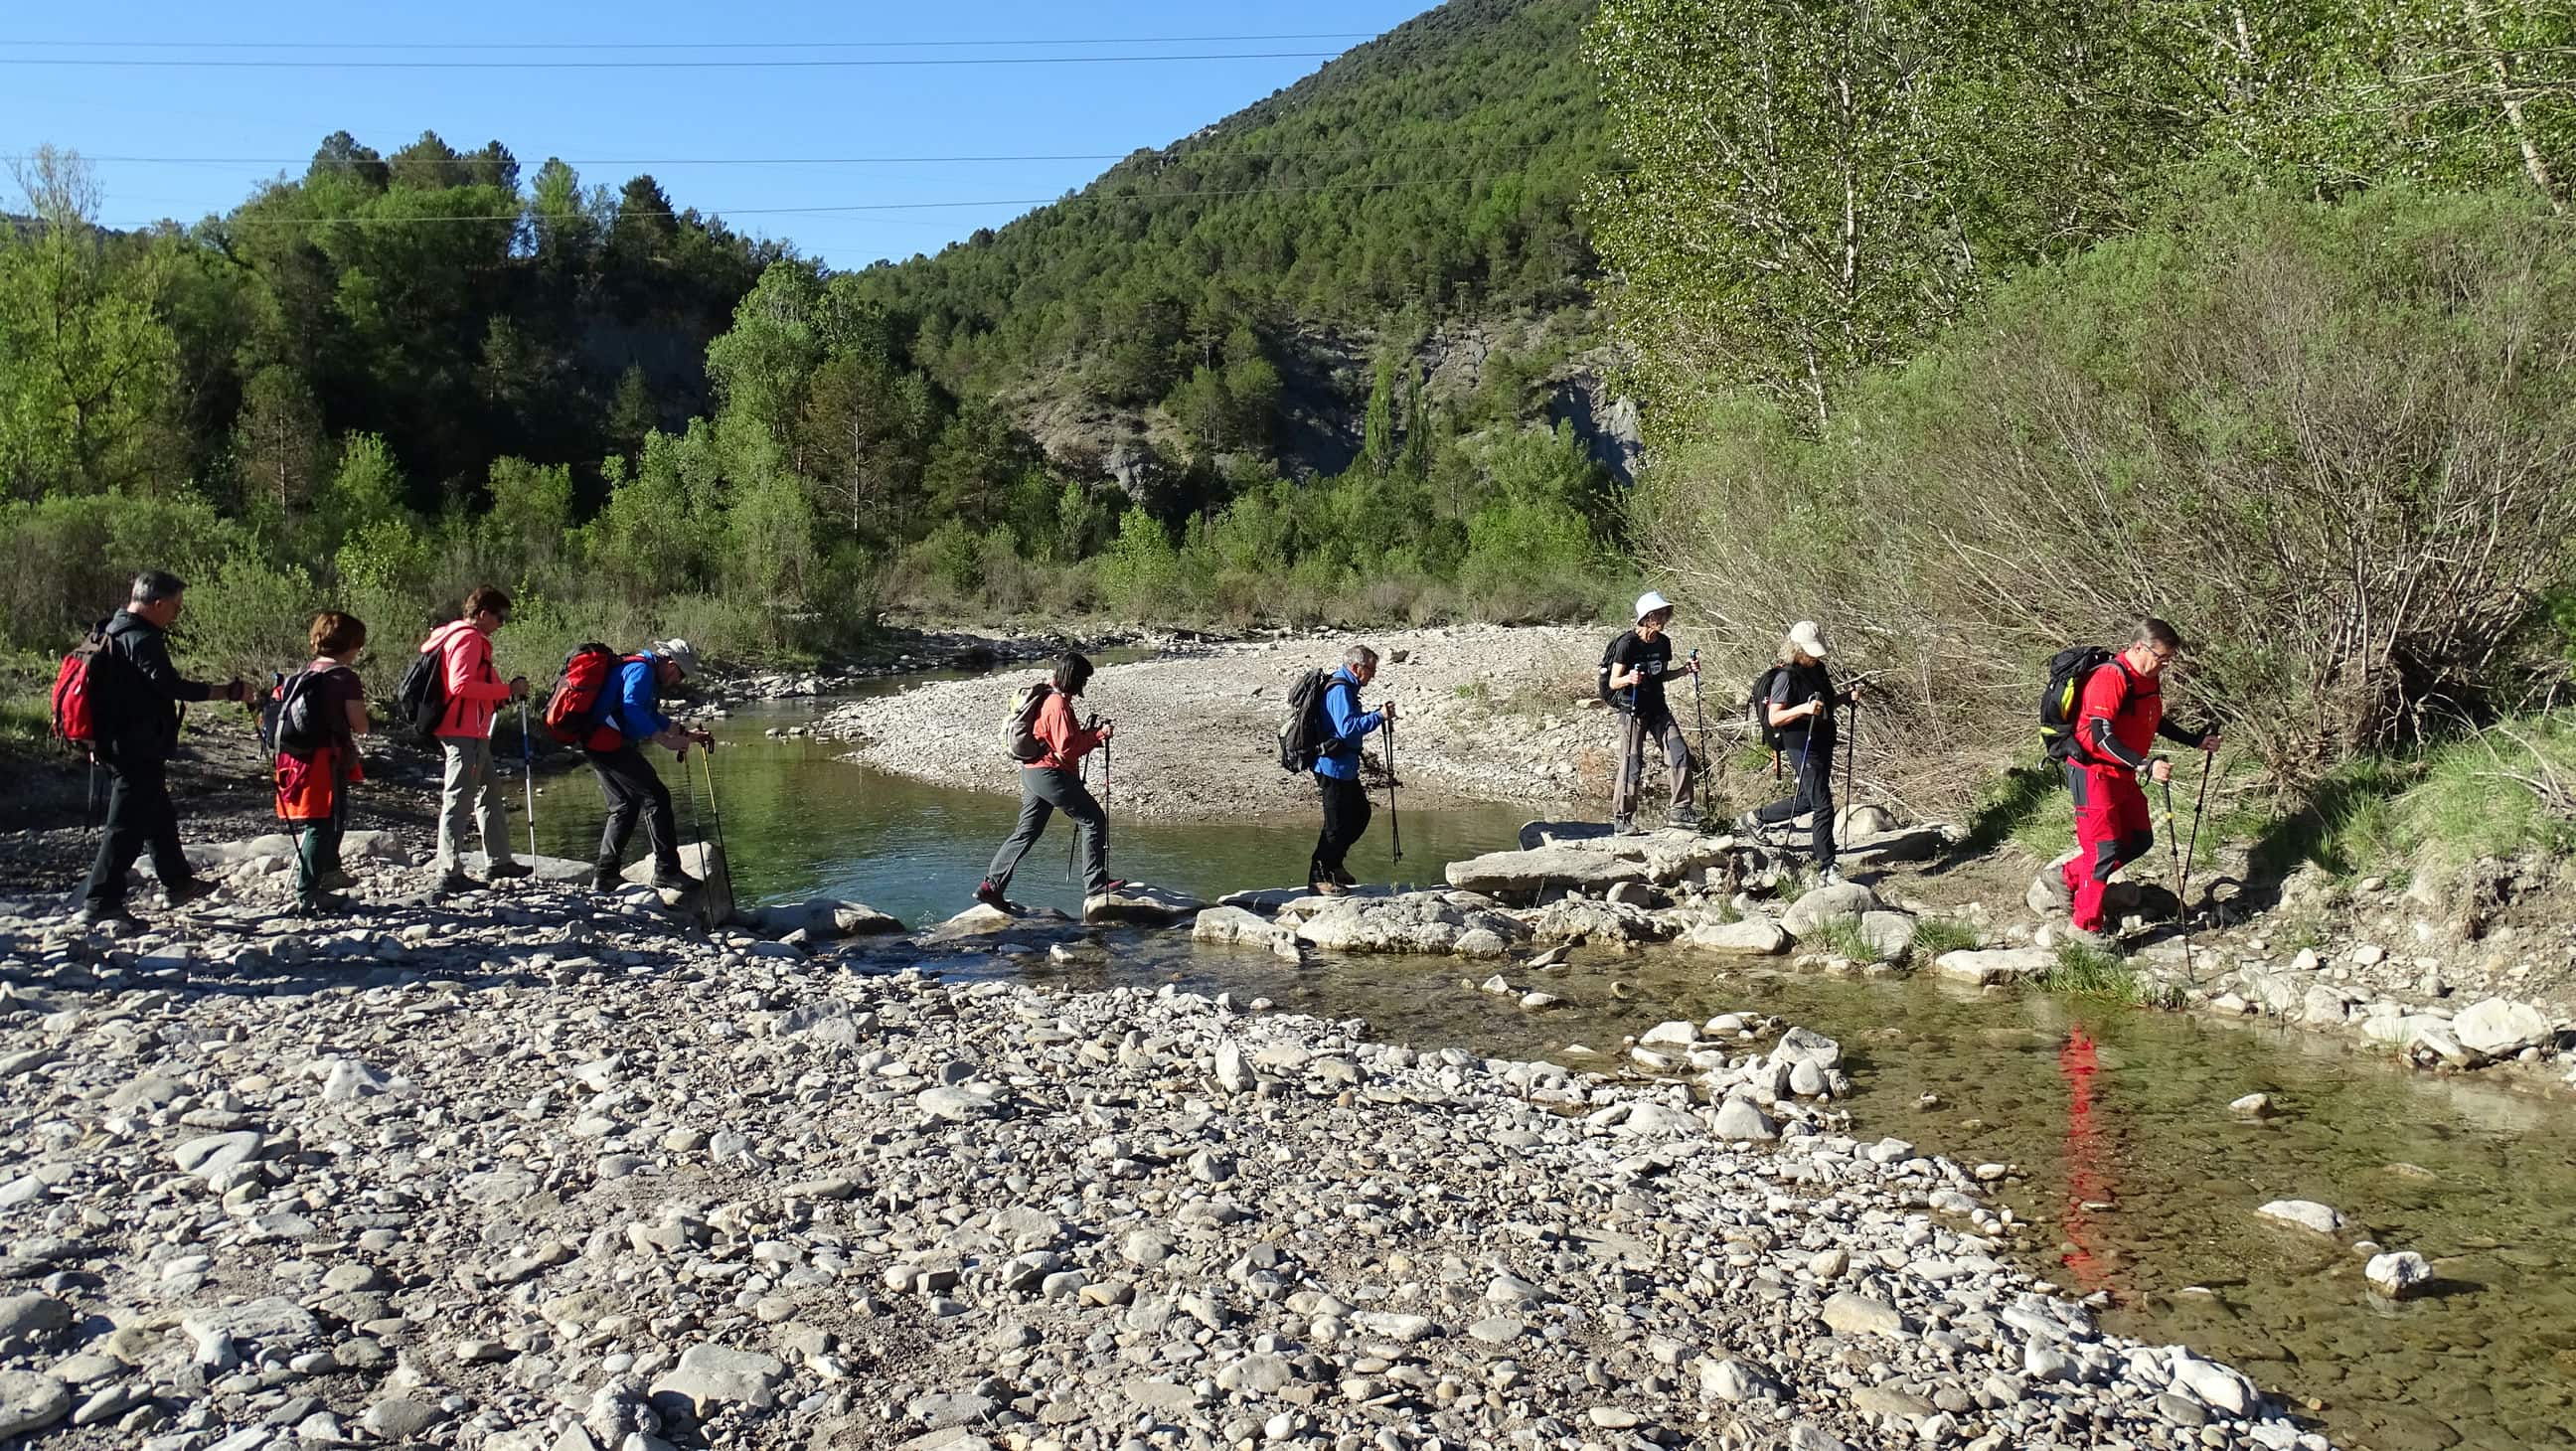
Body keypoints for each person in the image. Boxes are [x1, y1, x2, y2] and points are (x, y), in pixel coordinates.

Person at [71, 570, 250, 929]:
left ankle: (178, 883)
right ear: (157, 604)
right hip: (134, 747)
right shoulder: (141, 638)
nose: (176, 615)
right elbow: (170, 685)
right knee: (124, 827)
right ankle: (100, 901)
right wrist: (226, 692)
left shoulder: (109, 629)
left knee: (157, 814)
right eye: (175, 607)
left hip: (116, 743)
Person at [2060, 618, 2220, 943]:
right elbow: (2101, 736)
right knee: (2102, 849)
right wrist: (2146, 765)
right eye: (2161, 657)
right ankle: (2084, 928)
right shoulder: (2110, 677)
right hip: (2093, 772)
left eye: (2169, 659)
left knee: (2138, 839)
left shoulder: (2147, 678)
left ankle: (2066, 878)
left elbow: (2153, 718)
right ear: (2138, 647)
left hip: (2122, 771)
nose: (2165, 664)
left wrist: (2195, 740)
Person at [976, 652, 1124, 907]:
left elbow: (1060, 741)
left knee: (1026, 832)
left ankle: (991, 886)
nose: (1084, 684)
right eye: (1084, 679)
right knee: (1093, 820)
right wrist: (1098, 735)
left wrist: (1088, 736)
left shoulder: (1046, 696)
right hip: (1051, 774)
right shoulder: (1058, 704)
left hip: (1032, 772)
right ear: (1074, 678)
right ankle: (1095, 883)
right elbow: (1067, 748)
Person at [419, 586, 532, 894]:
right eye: (499, 617)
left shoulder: (456, 636)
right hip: (462, 731)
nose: (501, 624)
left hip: (471, 730)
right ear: (482, 614)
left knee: (489, 791)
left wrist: (500, 694)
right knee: (458, 798)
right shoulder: (468, 639)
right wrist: (507, 690)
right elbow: (461, 685)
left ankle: (499, 860)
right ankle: (449, 870)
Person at [588, 640, 714, 893]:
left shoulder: (645, 670)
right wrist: (664, 741)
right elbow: (631, 707)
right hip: (609, 743)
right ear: (672, 664)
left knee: (624, 806)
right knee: (657, 797)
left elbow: (650, 714)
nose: (678, 680)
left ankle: (605, 876)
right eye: (680, 674)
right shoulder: (642, 670)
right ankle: (667, 871)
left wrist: (685, 734)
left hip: (596, 740)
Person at [1737, 620, 1856, 883]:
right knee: (1823, 804)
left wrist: (1846, 698)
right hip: (1800, 743)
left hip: (1822, 739)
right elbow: (1774, 717)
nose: (1815, 657)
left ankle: (1754, 818)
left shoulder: (1818, 670)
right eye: (1810, 652)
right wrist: (1803, 709)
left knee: (1807, 800)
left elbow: (1825, 704)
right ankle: (1827, 866)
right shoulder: (1785, 677)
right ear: (1797, 649)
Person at [273, 612, 371, 914]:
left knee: (324, 820)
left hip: (294, 758)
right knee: (322, 823)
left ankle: (326, 876)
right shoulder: (344, 678)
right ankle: (308, 893)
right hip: (325, 760)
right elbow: (360, 725)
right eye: (358, 644)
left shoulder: (301, 674)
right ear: (350, 644)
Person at [1606, 591, 1699, 834]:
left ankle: (1680, 810)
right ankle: (1622, 818)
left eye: (1665, 613)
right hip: (1633, 710)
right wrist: (1629, 678)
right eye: (1658, 614)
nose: (1663, 618)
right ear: (1646, 617)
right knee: (1632, 762)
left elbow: (1661, 675)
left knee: (1679, 753)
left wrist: (1684, 670)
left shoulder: (1663, 643)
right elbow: (1614, 682)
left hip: (1658, 708)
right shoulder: (1627, 644)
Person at [1308, 644, 1394, 895]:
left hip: (1344, 767)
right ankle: (1318, 878)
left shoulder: (1347, 687)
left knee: (1359, 814)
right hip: (1331, 767)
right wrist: (1378, 716)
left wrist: (1375, 715)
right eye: (1371, 669)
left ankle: (1334, 865)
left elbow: (1346, 724)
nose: (1373, 675)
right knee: (1335, 825)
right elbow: (1347, 728)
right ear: (1357, 668)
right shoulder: (1340, 690)